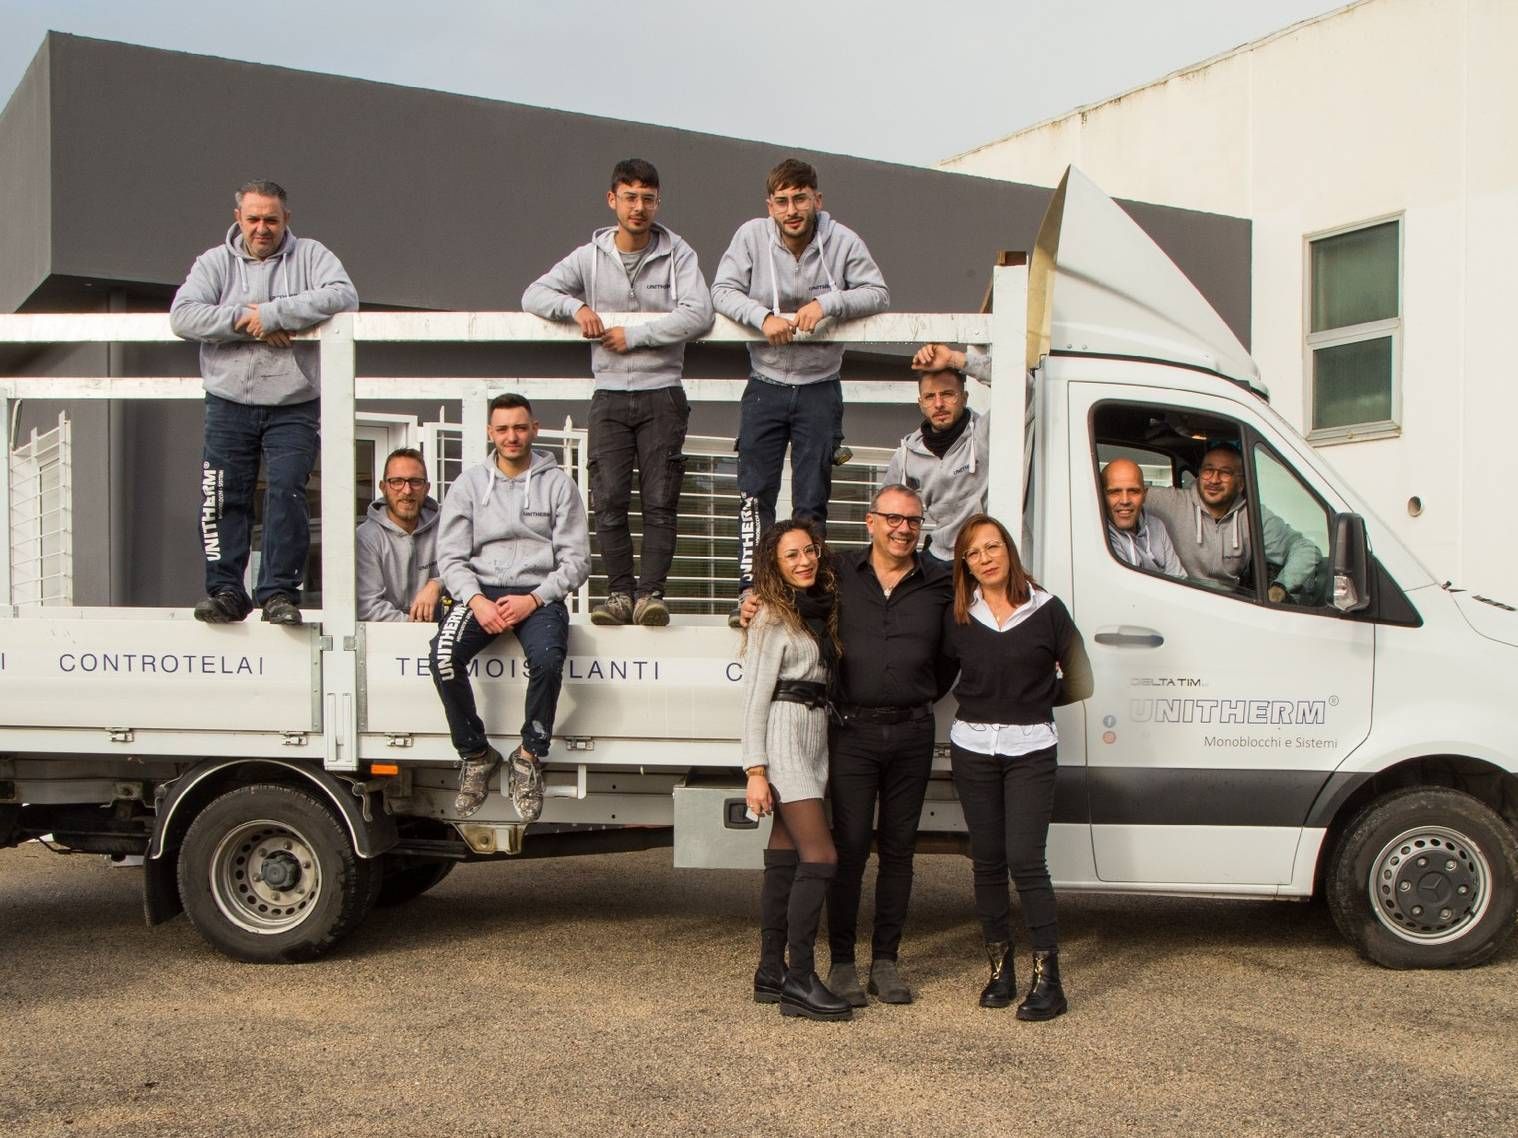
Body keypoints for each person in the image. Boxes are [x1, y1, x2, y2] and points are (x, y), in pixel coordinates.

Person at [522, 158, 714, 627]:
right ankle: (619, 595)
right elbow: (534, 294)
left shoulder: (678, 253)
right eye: (630, 197)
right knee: (608, 499)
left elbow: (700, 314)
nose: (639, 207)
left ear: (658, 201)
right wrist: (576, 306)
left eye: (648, 198)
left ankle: (651, 595)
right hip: (608, 393)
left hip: (663, 392)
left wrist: (637, 334)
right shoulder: (589, 257)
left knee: (659, 500)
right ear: (613, 200)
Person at [170, 179, 358, 626]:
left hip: (293, 401)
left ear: (286, 220)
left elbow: (343, 296)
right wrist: (246, 320)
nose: (262, 228)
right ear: (238, 218)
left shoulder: (311, 255)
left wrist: (273, 314)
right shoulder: (213, 263)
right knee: (221, 497)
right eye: (253, 219)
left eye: (271, 219)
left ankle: (277, 592)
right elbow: (183, 315)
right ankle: (227, 591)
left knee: (287, 494)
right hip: (227, 399)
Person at [712, 158, 889, 622]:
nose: (792, 210)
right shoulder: (751, 236)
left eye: (801, 199)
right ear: (770, 205)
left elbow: (877, 293)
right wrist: (760, 317)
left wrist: (827, 303)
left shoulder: (843, 240)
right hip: (765, 384)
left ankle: (808, 597)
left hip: (820, 387)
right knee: (755, 496)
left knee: (812, 498)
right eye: (783, 201)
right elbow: (722, 290)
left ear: (817, 199)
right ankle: (753, 592)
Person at [943, 514, 1092, 1021]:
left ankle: (1049, 981)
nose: (985, 559)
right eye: (974, 553)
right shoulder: (961, 615)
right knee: (986, 859)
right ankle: (1000, 970)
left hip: (1031, 748)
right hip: (973, 748)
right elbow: (937, 673)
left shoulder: (1048, 611)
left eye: (992, 547)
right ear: (965, 563)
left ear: (1009, 550)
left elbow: (1081, 680)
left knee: (1025, 858)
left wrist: (1034, 696)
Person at [822, 484, 953, 1007]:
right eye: (893, 519)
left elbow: (950, 659)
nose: (904, 529)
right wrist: (752, 603)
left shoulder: (940, 580)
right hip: (851, 730)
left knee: (899, 852)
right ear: (870, 522)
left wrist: (914, 692)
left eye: (914, 521)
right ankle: (841, 963)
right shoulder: (837, 573)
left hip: (913, 731)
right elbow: (791, 594)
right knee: (849, 849)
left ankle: (886, 963)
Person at [430, 394, 590, 821]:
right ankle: (476, 754)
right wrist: (476, 600)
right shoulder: (468, 484)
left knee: (549, 660)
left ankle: (529, 758)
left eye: (519, 427)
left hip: (538, 594)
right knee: (444, 658)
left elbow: (577, 560)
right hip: (479, 592)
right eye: (502, 429)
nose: (511, 436)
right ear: (490, 433)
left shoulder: (558, 484)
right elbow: (450, 558)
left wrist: (534, 599)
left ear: (534, 428)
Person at [740, 519, 852, 1022]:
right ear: (774, 566)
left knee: (784, 853)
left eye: (810, 551)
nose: (804, 561)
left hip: (812, 739)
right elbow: (754, 699)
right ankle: (802, 980)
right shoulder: (769, 618)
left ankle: (771, 971)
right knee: (822, 855)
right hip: (784, 739)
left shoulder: (816, 612)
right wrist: (755, 770)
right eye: (792, 555)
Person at [1144, 442, 1318, 600]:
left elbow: (1305, 548)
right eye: (1208, 470)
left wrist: (1281, 586)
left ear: (1241, 483)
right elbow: (1125, 497)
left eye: (1225, 473)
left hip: (1229, 607)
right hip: (1180, 601)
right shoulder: (1171, 501)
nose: (1214, 479)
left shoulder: (1252, 516)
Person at [884, 362, 992, 571]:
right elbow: (884, 508)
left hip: (983, 554)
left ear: (964, 397)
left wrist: (956, 359)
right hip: (939, 557)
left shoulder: (985, 433)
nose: (939, 403)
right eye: (930, 397)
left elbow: (1026, 388)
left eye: (948, 394)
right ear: (921, 403)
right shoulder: (907, 453)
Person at [356, 447, 443, 621]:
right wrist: (417, 629)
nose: (407, 490)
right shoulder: (366, 537)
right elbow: (369, 607)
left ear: (427, 488)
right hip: (385, 640)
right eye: (397, 481)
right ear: (383, 487)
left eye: (415, 482)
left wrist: (436, 584)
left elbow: (467, 568)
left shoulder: (445, 528)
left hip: (443, 639)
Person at [1100, 458, 1185, 577]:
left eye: (1133, 491)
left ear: (1144, 495)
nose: (1125, 500)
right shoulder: (1099, 533)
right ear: (1100, 496)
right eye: (1114, 492)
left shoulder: (1156, 525)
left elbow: (1178, 577)